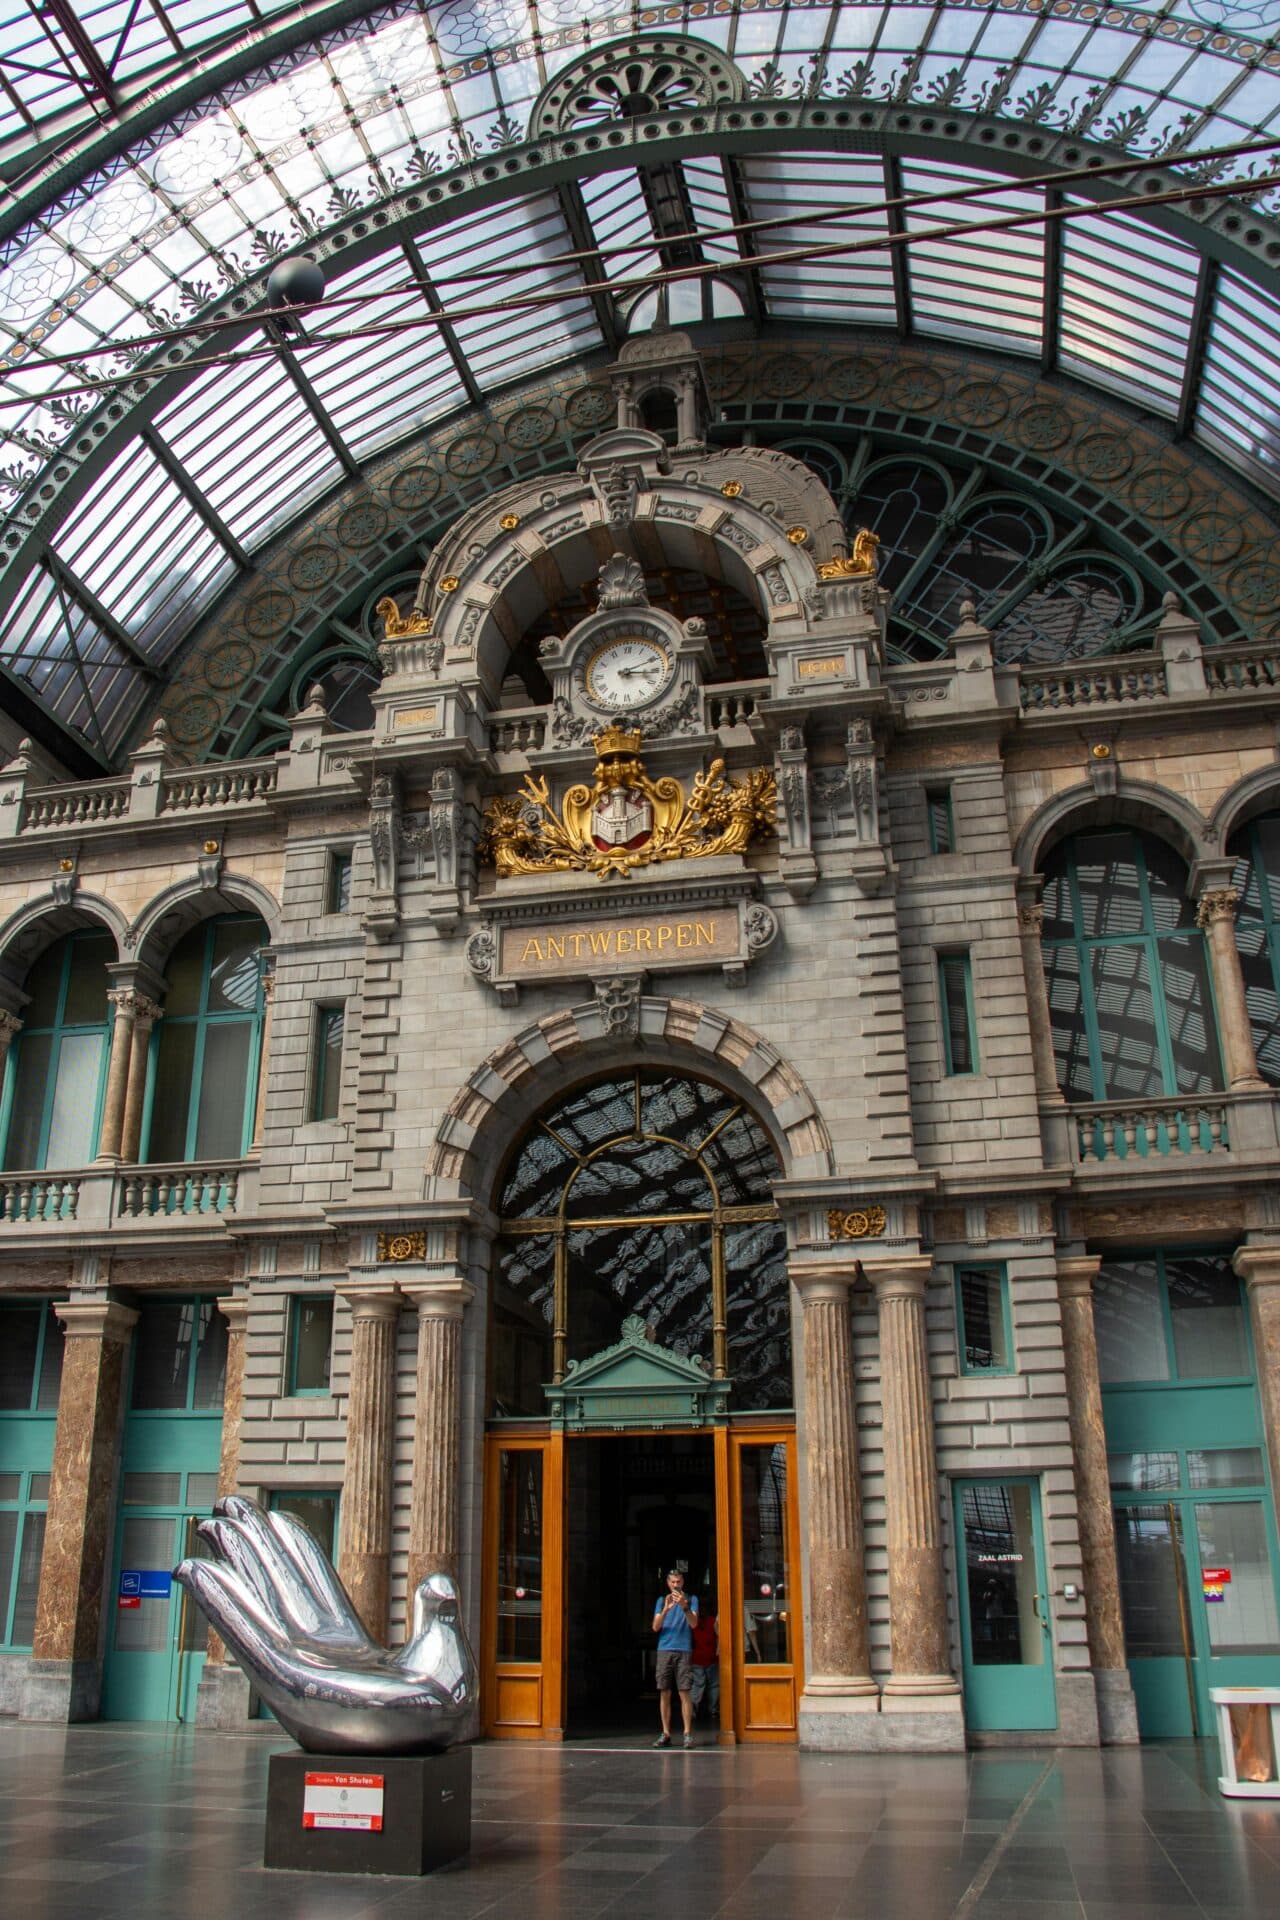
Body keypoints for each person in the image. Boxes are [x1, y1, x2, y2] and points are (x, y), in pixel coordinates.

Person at [651, 1567, 698, 1748]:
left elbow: (694, 1624)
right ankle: (666, 1732)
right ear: (668, 1583)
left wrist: (683, 1606)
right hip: (665, 1649)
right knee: (664, 1691)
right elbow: (655, 1627)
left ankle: (687, 1733)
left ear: (683, 1582)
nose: (676, 1585)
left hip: (683, 1649)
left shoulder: (691, 1600)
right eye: (673, 1582)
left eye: (678, 1582)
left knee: (684, 1691)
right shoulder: (662, 1600)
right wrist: (665, 1610)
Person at [689, 1605, 719, 1725]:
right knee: (714, 1685)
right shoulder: (712, 1621)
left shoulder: (693, 1623)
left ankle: (692, 1709)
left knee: (697, 1684)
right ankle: (713, 1709)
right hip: (711, 1656)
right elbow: (718, 1636)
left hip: (696, 1657)